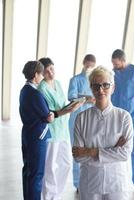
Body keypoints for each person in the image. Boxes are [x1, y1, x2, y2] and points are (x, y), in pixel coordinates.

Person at [72, 66, 133, 200]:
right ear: (91, 88)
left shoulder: (124, 117)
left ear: (113, 87)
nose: (100, 90)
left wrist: (90, 152)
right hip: (90, 183)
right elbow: (78, 156)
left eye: (105, 85)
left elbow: (124, 153)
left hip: (116, 182)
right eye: (96, 86)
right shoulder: (82, 118)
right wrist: (112, 151)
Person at [37, 57, 82, 199]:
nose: (51, 72)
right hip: (51, 132)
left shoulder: (58, 83)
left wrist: (73, 105)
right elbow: (49, 112)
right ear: (42, 73)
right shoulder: (42, 88)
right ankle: (49, 196)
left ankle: (55, 193)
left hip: (63, 131)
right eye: (47, 70)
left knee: (66, 164)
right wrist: (68, 110)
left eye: (52, 68)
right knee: (49, 167)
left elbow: (62, 104)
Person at [111, 49, 134, 193]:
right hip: (116, 117)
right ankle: (115, 180)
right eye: (112, 63)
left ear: (122, 60)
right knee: (114, 147)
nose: (114, 66)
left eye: (115, 63)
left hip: (133, 117)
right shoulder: (113, 73)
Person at [19, 61, 54, 200]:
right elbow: (48, 116)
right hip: (38, 137)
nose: (43, 76)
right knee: (37, 174)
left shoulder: (24, 90)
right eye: (41, 73)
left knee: (28, 171)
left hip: (28, 134)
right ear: (35, 75)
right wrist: (50, 116)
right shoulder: (35, 93)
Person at [68, 54, 96, 190]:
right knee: (77, 150)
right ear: (83, 63)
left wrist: (86, 97)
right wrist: (87, 98)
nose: (89, 67)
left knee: (91, 149)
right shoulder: (75, 80)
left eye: (92, 66)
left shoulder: (95, 82)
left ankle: (89, 181)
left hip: (92, 119)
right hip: (76, 119)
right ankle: (78, 183)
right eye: (87, 64)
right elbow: (72, 98)